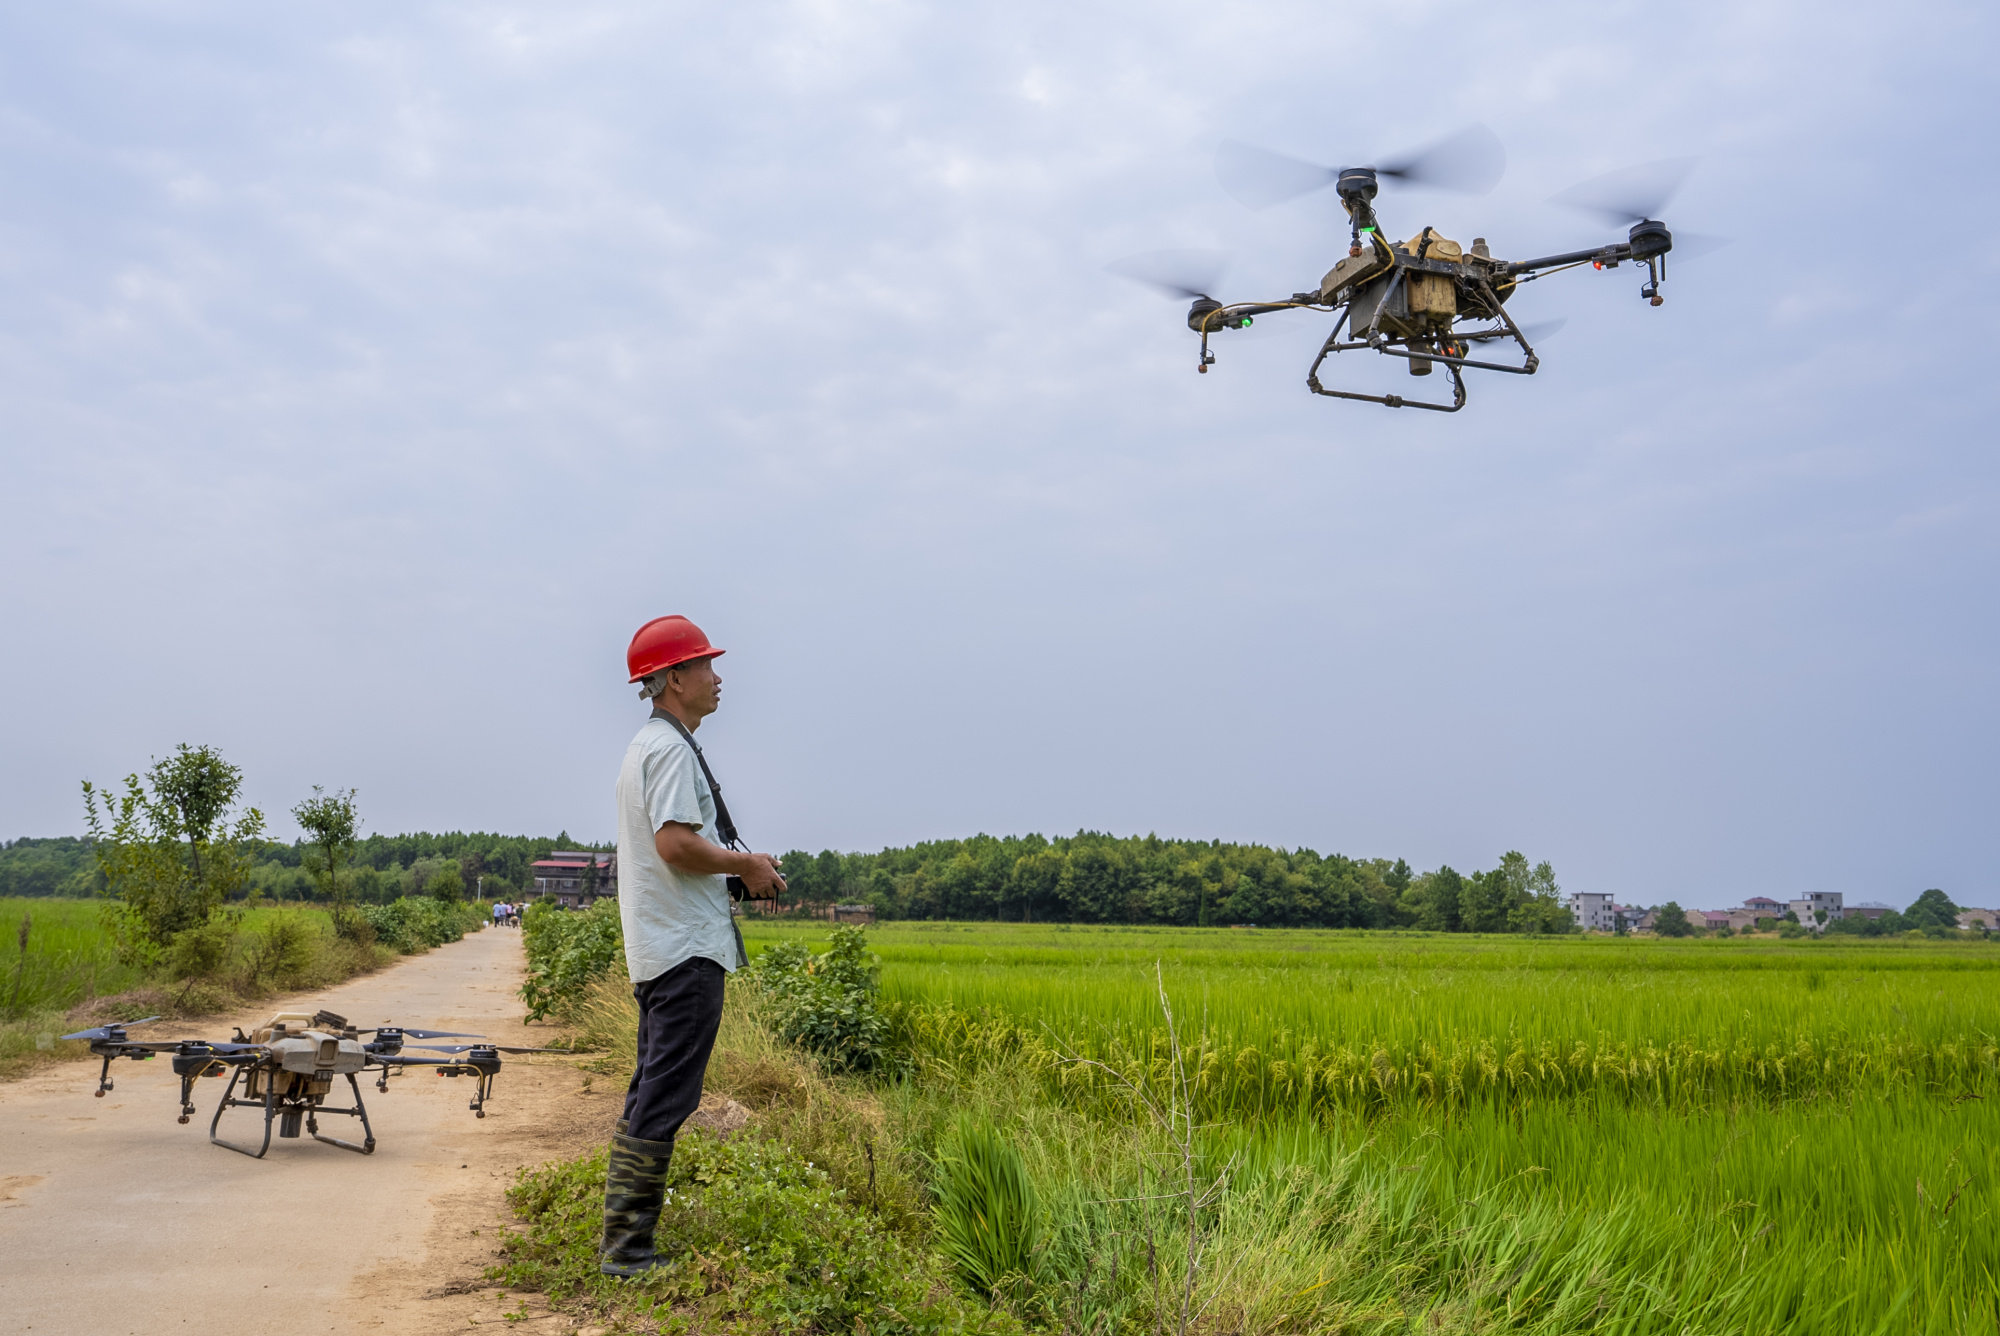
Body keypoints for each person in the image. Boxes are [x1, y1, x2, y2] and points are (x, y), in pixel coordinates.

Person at [600, 614, 784, 1278]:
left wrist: (735, 870)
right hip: (685, 953)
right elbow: (675, 845)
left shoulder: (648, 746)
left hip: (662, 949)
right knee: (667, 1094)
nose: (717, 675)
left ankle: (622, 1240)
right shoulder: (672, 751)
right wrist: (746, 865)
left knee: (652, 1088)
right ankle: (628, 1253)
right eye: (706, 664)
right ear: (674, 678)